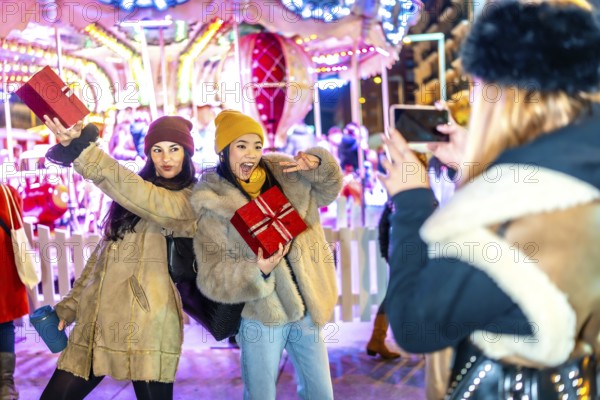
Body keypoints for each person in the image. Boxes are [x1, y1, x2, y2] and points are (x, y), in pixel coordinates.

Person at [380, 1, 600, 398]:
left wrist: (411, 202)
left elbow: (414, 327)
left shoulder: (506, 219)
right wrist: (479, 166)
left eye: (479, 85)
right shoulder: (579, 177)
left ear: (504, 95)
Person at [39, 115, 197, 400]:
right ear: (148, 153)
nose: (166, 158)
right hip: (99, 323)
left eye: (174, 148)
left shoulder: (189, 200)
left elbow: (140, 195)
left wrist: (84, 150)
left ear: (187, 152)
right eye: (157, 149)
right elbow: (100, 263)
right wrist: (69, 308)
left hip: (147, 327)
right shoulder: (129, 203)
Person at [191, 110, 342, 400]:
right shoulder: (212, 201)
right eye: (241, 146)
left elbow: (328, 190)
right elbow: (212, 275)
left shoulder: (286, 173)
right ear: (223, 150)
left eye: (256, 145)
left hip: (306, 306)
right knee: (260, 396)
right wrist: (256, 269)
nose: (251, 154)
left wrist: (318, 164)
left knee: (321, 393)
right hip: (261, 314)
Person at [0, 183, 29, 400]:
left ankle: (5, 384)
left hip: (4, 269)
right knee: (4, 323)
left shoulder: (8, 193)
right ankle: (5, 385)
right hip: (5, 269)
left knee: (4, 324)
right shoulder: (8, 192)